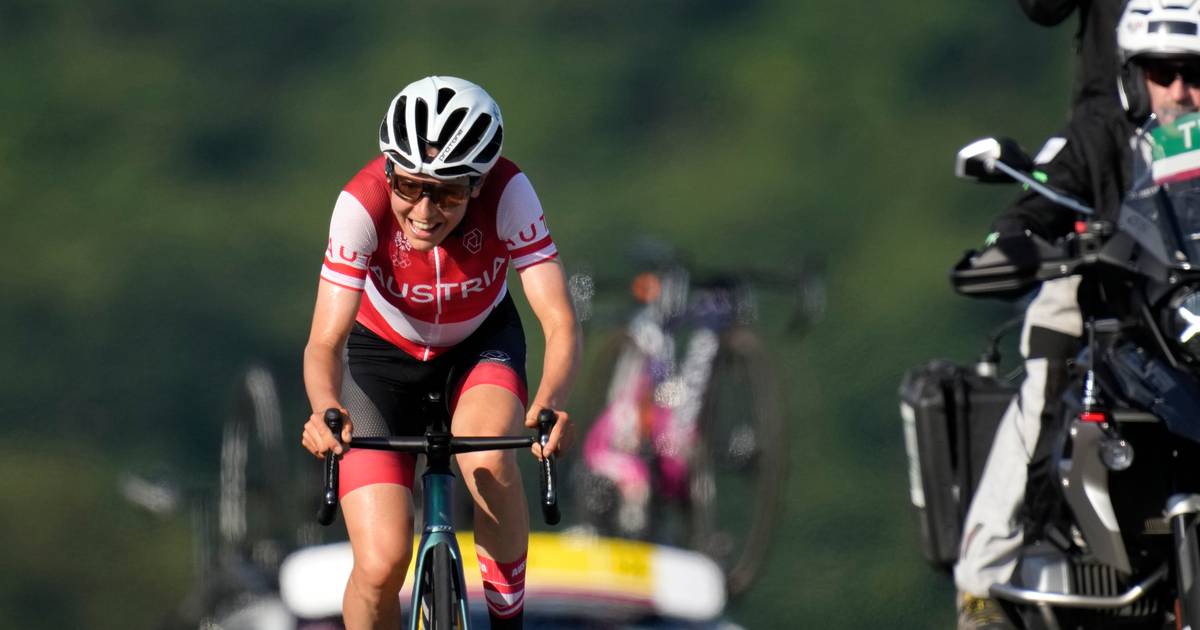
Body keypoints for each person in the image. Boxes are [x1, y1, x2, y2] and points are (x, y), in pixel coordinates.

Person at [300, 75, 580, 630]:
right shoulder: (361, 204)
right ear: (389, 171)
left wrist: (551, 402)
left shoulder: (509, 192)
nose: (425, 211)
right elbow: (324, 342)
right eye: (409, 186)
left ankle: (507, 621)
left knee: (489, 459)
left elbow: (559, 319)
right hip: (381, 364)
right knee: (381, 564)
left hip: (479, 349)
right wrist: (324, 406)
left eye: (448, 193)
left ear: (478, 184)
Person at [954, 3, 1200, 628]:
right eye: (1163, 73)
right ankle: (982, 588)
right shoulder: (1100, 131)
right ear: (1134, 76)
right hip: (1120, 300)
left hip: (1191, 312)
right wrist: (1014, 246)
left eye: (1196, 74)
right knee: (1051, 370)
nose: (1180, 91)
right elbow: (1037, 201)